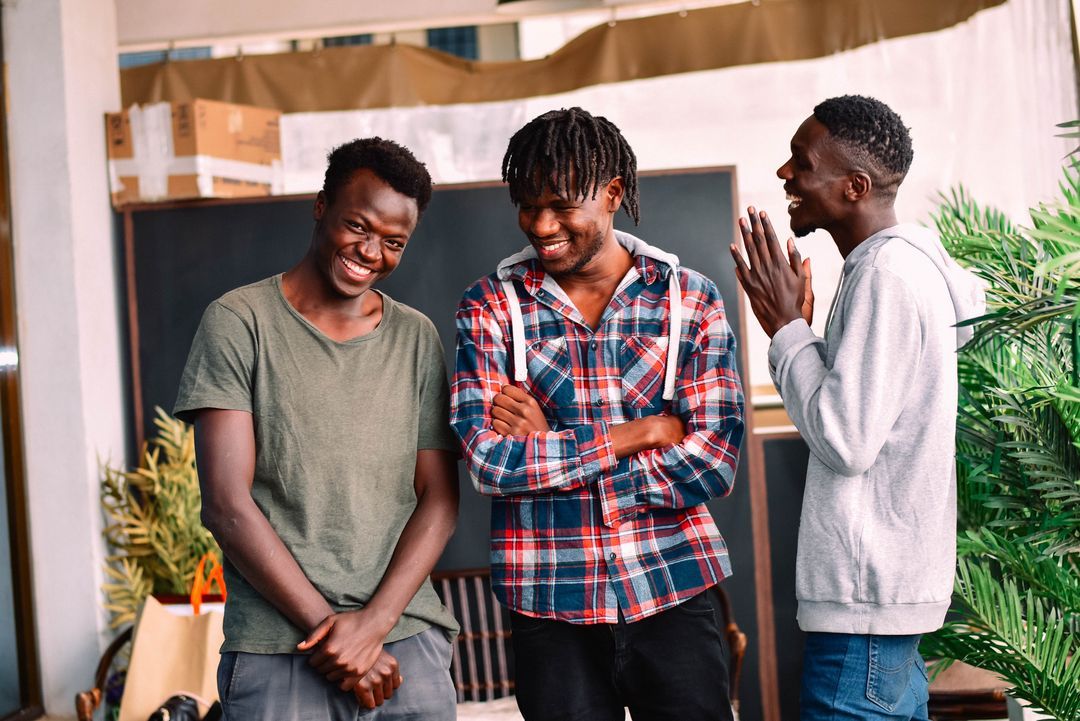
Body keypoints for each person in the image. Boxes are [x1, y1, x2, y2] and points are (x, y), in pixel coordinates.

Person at [451, 107, 744, 721]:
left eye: (560, 204)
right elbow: (488, 464)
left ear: (613, 194)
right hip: (548, 605)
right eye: (527, 205)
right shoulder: (490, 307)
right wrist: (637, 434)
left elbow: (712, 464)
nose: (541, 224)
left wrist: (553, 448)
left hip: (675, 590)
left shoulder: (689, 300)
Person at [174, 137, 461, 721]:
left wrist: (372, 628)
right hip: (279, 649)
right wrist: (337, 635)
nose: (371, 251)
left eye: (393, 242)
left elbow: (439, 498)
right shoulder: (238, 323)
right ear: (321, 205)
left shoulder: (416, 338)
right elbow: (227, 507)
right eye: (358, 225)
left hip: (406, 644)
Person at [731, 95, 985, 720]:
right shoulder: (886, 270)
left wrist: (789, 329)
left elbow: (847, 440)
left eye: (801, 162)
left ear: (854, 186)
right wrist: (800, 333)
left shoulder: (887, 276)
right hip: (877, 612)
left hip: (863, 613)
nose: (785, 175)